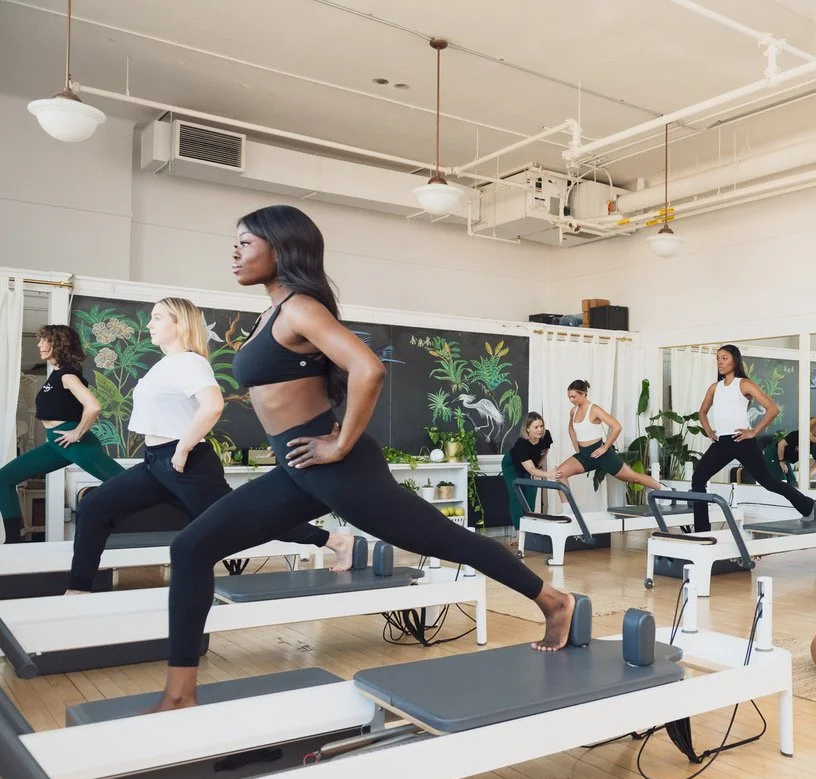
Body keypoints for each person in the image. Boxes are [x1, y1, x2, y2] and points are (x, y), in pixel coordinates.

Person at [151, 204, 577, 712]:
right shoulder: (272, 311)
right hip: (296, 468)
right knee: (192, 548)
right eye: (235, 242)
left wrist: (340, 443)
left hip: (336, 467)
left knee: (448, 541)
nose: (235, 251)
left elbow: (367, 369)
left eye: (246, 241)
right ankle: (180, 695)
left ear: (282, 247)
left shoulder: (300, 308)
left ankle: (553, 599)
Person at [65, 298, 352, 594]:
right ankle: (78, 589)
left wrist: (183, 447)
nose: (150, 324)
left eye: (158, 317)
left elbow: (213, 406)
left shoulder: (190, 362)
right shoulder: (164, 365)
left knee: (247, 522)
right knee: (95, 506)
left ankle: (336, 541)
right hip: (156, 463)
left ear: (180, 324)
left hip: (187, 466)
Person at [1, 325, 124, 543]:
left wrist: (77, 433)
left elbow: (93, 406)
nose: (39, 344)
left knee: (129, 484)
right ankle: (13, 542)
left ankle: (181, 506)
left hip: (74, 443)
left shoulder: (67, 375)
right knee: (3, 479)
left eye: (44, 340)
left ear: (58, 344)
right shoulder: (56, 375)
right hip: (55, 444)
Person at [690, 345, 816, 532]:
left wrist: (754, 432)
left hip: (743, 441)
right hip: (722, 443)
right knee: (698, 479)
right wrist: (709, 430)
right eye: (717, 358)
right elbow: (702, 412)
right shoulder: (714, 388)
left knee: (768, 482)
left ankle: (807, 505)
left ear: (735, 360)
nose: (719, 362)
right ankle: (702, 532)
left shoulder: (744, 384)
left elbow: (772, 408)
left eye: (724, 358)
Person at [552, 380, 663, 492]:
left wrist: (604, 448)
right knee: (559, 474)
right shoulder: (573, 411)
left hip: (602, 455)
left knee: (633, 478)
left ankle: (664, 489)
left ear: (584, 393)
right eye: (569, 397)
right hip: (584, 455)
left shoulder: (594, 409)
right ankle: (567, 509)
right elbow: (571, 427)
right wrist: (576, 445)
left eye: (573, 397)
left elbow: (617, 426)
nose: (571, 400)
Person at [502, 411, 553, 542]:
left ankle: (529, 529)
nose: (540, 430)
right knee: (516, 497)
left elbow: (545, 449)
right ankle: (519, 533)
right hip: (512, 467)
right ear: (527, 429)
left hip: (530, 465)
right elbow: (530, 469)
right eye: (536, 427)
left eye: (541, 426)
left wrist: (539, 466)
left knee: (531, 495)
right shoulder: (522, 445)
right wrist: (549, 474)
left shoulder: (545, 435)